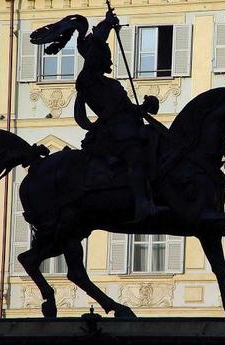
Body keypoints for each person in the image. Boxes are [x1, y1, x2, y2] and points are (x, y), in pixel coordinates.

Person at [71, 10, 164, 222]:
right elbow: (95, 46)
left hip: (126, 126)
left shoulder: (112, 84)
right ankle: (141, 203)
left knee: (156, 140)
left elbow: (127, 109)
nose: (108, 59)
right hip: (111, 131)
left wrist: (145, 107)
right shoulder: (87, 80)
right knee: (135, 153)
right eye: (105, 56)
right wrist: (106, 26)